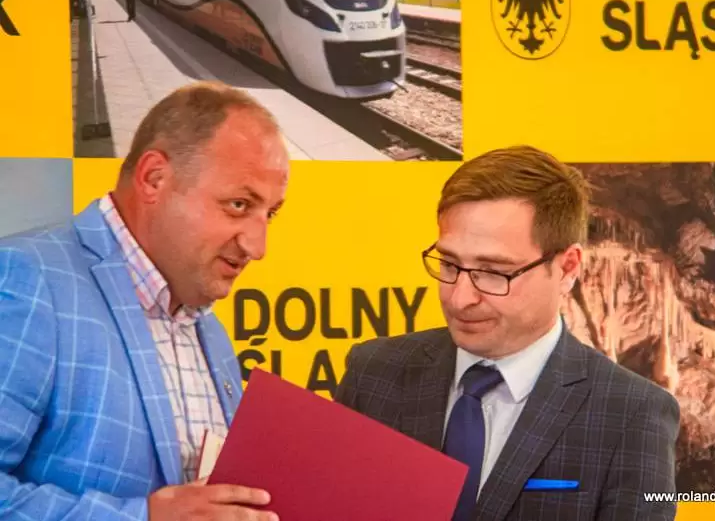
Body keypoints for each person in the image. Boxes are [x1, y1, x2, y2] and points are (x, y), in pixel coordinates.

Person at [335, 145, 680, 521]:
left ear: (567, 268)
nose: (460, 298)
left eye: (493, 272)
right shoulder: (374, 373)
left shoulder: (633, 414)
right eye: (449, 264)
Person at [0, 81, 289, 521]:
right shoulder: (27, 277)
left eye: (270, 213)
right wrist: (143, 518)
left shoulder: (209, 329)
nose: (257, 245)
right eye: (238, 204)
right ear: (155, 178)